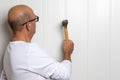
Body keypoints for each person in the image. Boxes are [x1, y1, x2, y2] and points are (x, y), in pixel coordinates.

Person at [3, 4, 74, 80]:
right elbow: (64, 74)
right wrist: (67, 53)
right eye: (35, 19)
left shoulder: (9, 50)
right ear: (28, 25)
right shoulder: (29, 52)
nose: (35, 23)